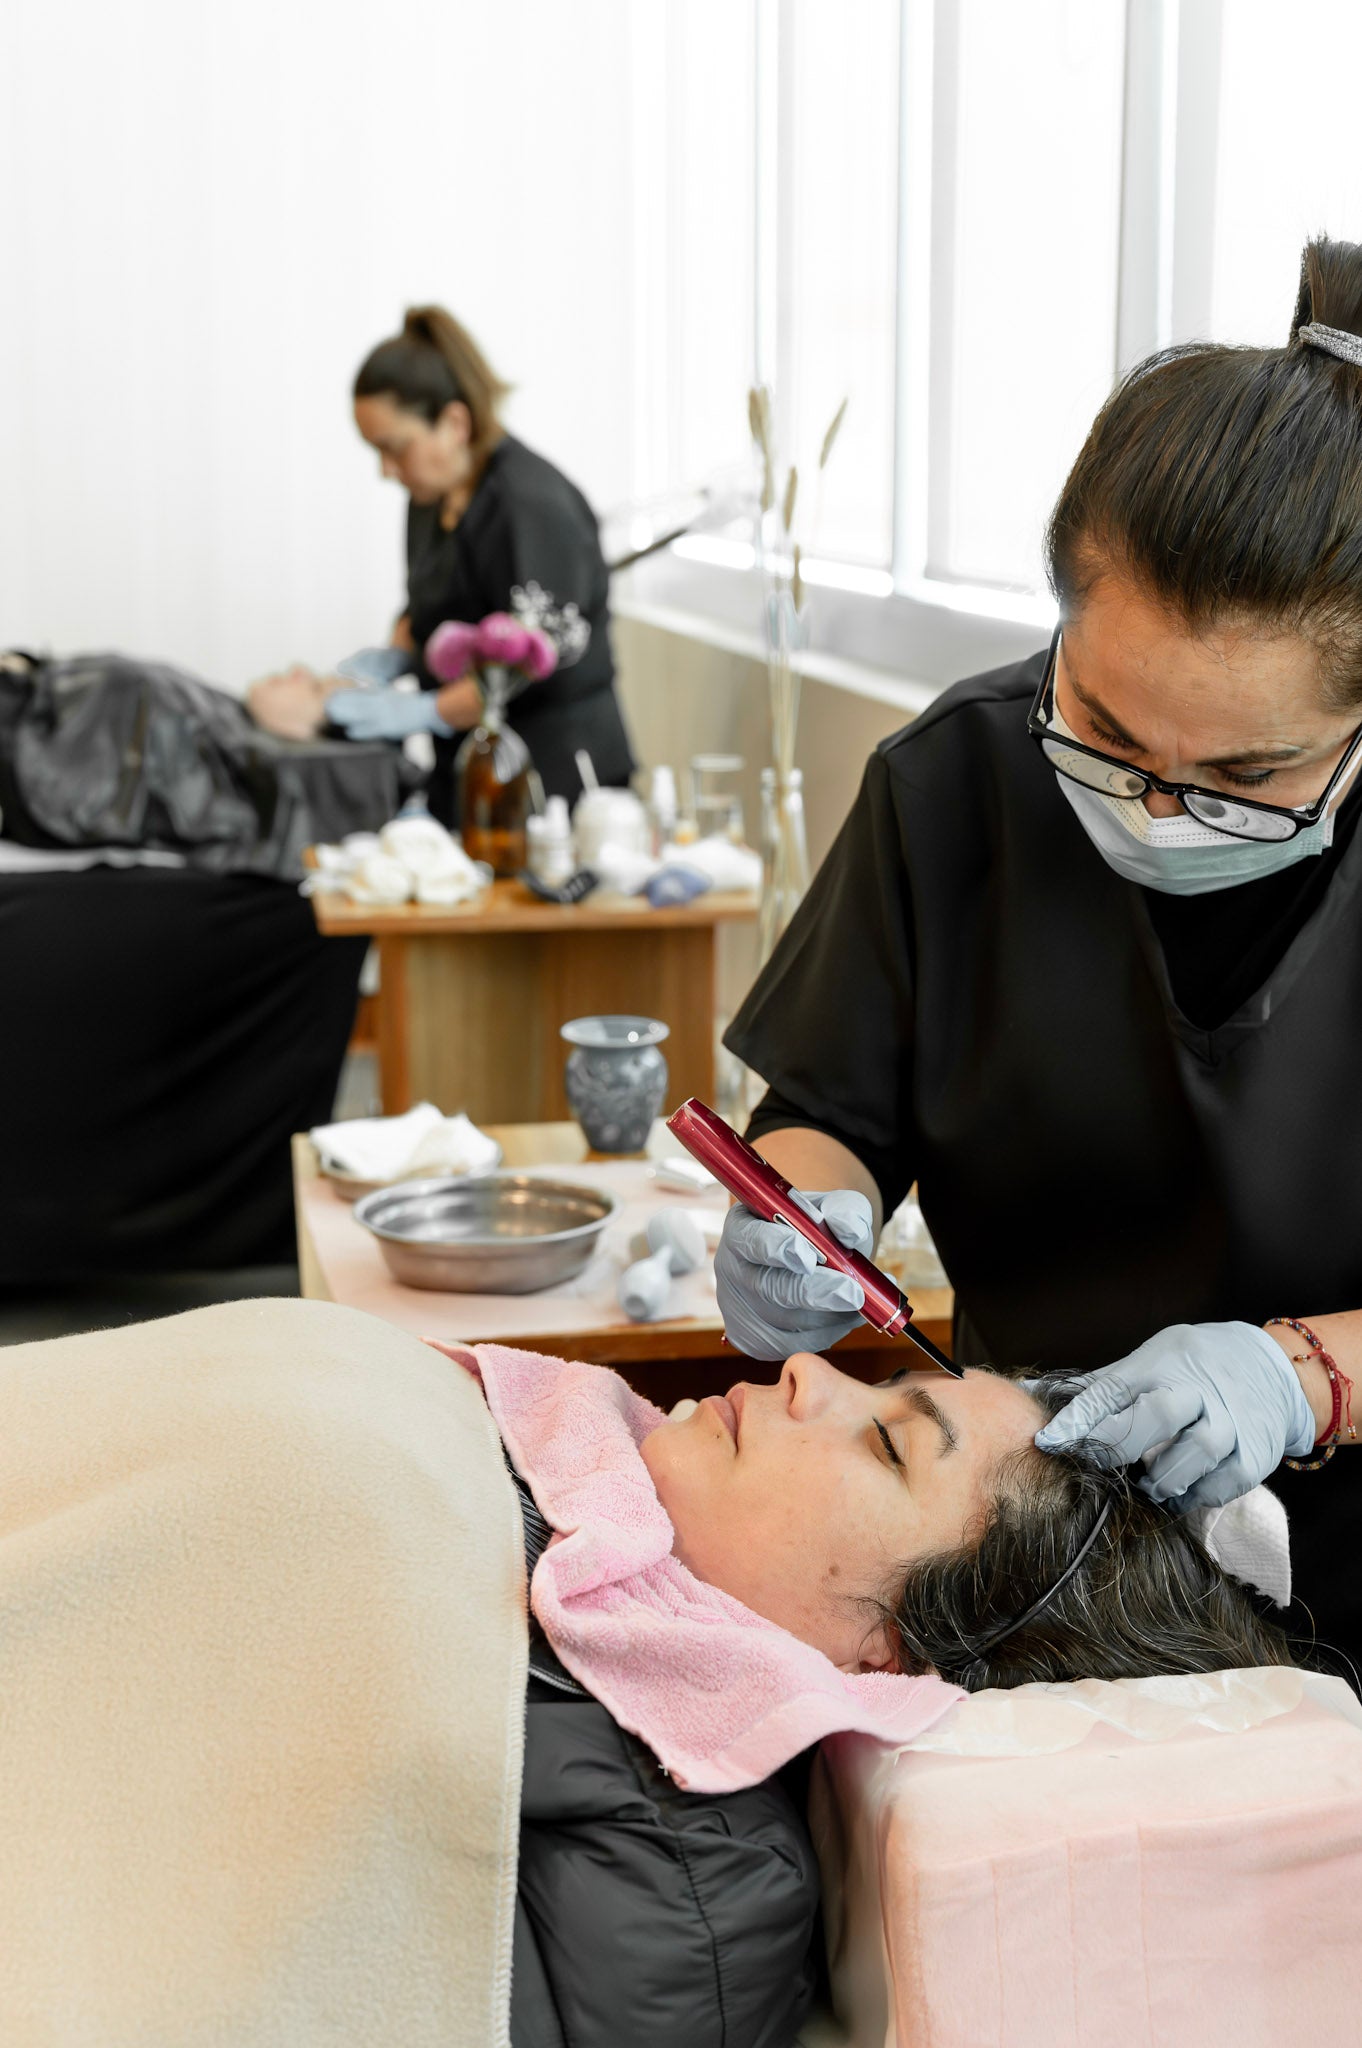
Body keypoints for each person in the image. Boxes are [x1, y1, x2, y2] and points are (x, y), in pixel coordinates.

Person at [716, 233, 1362, 1667]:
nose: (1150, 803)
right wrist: (805, 1209)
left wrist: (1304, 1373)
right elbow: (830, 1110)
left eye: (1243, 775)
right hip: (1050, 1597)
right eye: (1110, 732)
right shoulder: (955, 782)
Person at [510, 1347, 1297, 2045]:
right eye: (882, 1382)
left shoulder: (674, 1900)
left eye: (890, 1444)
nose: (807, 1369)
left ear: (891, 1661)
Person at [327, 305, 635, 825]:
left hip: (555, 782)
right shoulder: (430, 497)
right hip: (472, 772)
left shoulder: (530, 506)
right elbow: (425, 603)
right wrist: (397, 656)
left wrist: (421, 712)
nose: (386, 470)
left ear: (454, 422)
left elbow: (524, 661)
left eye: (394, 448)